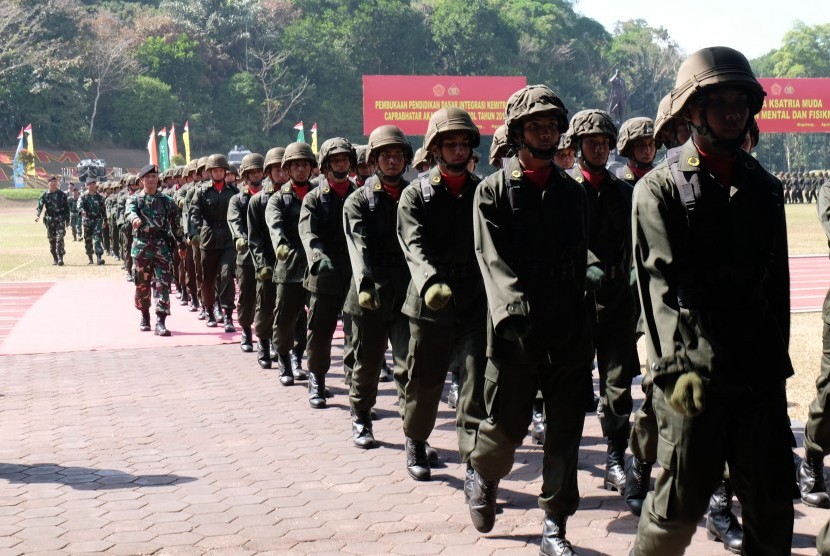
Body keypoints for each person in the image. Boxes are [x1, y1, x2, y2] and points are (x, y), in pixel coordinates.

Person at [630, 46, 794, 555]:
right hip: (692, 373)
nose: (731, 112)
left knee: (771, 506)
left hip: (757, 374)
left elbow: (777, 288)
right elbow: (656, 286)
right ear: (692, 111)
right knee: (678, 506)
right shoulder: (657, 190)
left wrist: (774, 362)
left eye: (739, 102)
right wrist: (673, 369)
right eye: (718, 101)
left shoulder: (764, 189)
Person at [470, 84, 592, 555]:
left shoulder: (572, 194)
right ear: (518, 133)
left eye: (552, 125)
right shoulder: (492, 193)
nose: (546, 133)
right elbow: (493, 262)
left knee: (564, 433)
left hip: (567, 333)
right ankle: (482, 471)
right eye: (536, 126)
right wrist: (515, 313)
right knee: (505, 429)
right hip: (514, 333)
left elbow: (580, 257)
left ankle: (555, 524)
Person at [397, 107, 487, 482]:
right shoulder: (416, 195)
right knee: (426, 381)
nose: (458, 150)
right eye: (450, 143)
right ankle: (416, 439)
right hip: (429, 304)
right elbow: (412, 244)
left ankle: (474, 463)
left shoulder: (483, 191)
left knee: (474, 380)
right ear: (435, 149)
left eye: (464, 143)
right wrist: (431, 280)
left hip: (473, 301)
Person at [343, 125, 413, 449]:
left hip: (406, 294)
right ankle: (361, 415)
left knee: (409, 364)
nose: (392, 161)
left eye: (398, 155)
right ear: (373, 160)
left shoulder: (416, 196)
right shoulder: (358, 201)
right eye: (385, 155)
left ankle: (415, 433)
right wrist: (365, 284)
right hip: (368, 295)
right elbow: (358, 246)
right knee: (367, 363)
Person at [298, 137, 358, 408]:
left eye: (345, 159)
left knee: (356, 332)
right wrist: (316, 254)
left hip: (354, 271)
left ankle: (357, 390)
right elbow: (307, 231)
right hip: (323, 272)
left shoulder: (359, 193)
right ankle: (317, 381)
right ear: (324, 165)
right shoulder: (314, 198)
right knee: (320, 331)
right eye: (335, 160)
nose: (341, 163)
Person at [266, 142, 316, 385]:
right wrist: (281, 246)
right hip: (289, 265)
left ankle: (298, 356)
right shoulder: (279, 199)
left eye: (305, 164)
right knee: (285, 318)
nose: (300, 169)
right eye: (295, 165)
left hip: (316, 264)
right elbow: (274, 225)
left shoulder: (319, 194)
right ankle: (284, 360)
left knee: (315, 320)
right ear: (287, 168)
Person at [124, 164, 184, 336]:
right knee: (142, 284)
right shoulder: (134, 199)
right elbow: (130, 212)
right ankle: (144, 315)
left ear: (158, 179)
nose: (151, 180)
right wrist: (135, 219)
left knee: (162, 284)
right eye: (148, 177)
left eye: (154, 177)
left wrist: (181, 243)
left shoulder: (167, 201)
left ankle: (161, 321)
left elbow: (176, 225)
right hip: (142, 246)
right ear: (142, 180)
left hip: (161, 246)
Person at [189, 154, 239, 331]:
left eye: (221, 170)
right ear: (210, 172)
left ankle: (227, 314)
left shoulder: (234, 192)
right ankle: (209, 309)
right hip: (208, 236)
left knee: (226, 275)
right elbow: (194, 213)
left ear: (225, 172)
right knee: (208, 277)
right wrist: (194, 233)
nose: (218, 173)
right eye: (215, 170)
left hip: (227, 237)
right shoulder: (202, 192)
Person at [248, 147, 285, 369]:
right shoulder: (258, 201)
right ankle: (263, 342)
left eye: (284, 169)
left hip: (290, 262)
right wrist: (262, 264)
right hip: (268, 261)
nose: (281, 174)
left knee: (292, 311)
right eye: (275, 169)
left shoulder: (300, 197)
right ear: (267, 173)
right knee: (265, 305)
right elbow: (255, 238)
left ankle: (286, 351)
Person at [228, 153, 265, 353]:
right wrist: (240, 238)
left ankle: (265, 337)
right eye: (252, 172)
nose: (257, 175)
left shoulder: (270, 197)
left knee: (267, 298)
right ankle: (245, 331)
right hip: (246, 256)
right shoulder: (238, 200)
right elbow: (234, 221)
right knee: (247, 296)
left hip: (267, 255)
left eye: (259, 171)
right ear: (245, 175)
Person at [35, 176, 70, 266]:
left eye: (55, 181)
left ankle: (60, 258)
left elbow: (67, 208)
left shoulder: (62, 195)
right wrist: (37, 215)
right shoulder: (44, 195)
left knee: (60, 238)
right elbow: (39, 206)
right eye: (52, 181)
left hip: (60, 219)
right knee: (52, 240)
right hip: (50, 220)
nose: (54, 183)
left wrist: (67, 220)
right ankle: (55, 258)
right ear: (48, 184)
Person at [615, 117, 657, 186]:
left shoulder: (663, 178)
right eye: (641, 145)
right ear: (629, 149)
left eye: (651, 144)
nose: (647, 150)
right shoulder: (618, 182)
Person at [77, 178, 106, 265]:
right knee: (88, 239)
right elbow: (79, 206)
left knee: (97, 238)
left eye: (93, 184)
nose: (92, 186)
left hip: (97, 220)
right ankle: (90, 258)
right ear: (87, 185)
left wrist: (105, 220)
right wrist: (82, 211)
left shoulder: (99, 197)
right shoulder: (83, 196)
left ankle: (99, 258)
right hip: (87, 220)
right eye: (90, 184)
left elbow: (103, 209)